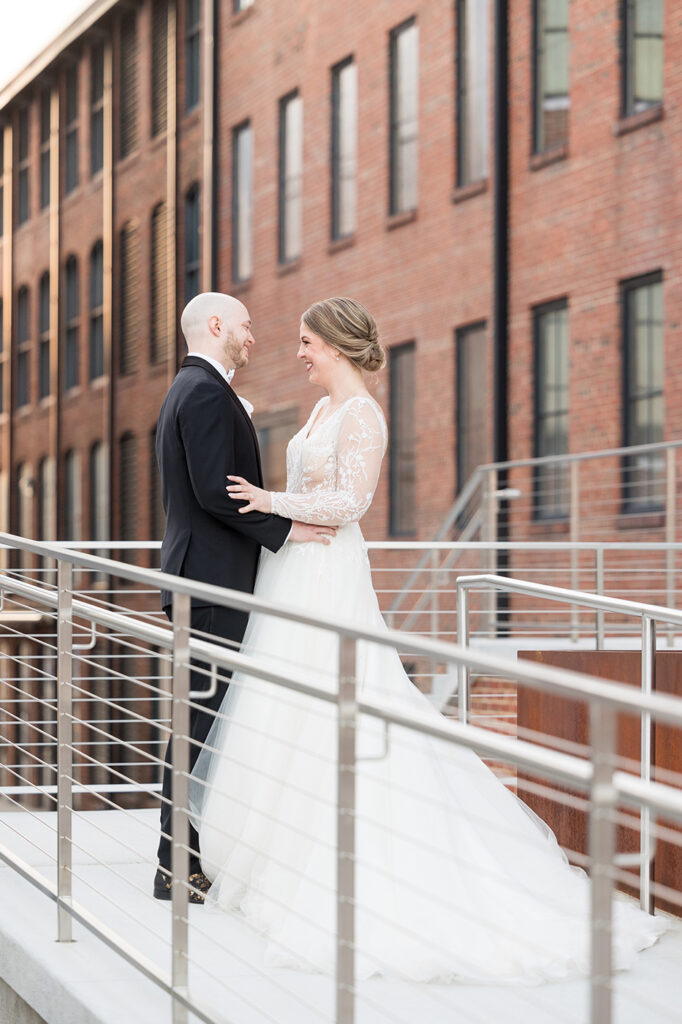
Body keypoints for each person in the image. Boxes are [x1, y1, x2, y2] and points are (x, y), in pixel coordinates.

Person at [189, 297, 666, 980]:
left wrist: (273, 502)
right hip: (290, 574)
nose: (297, 354)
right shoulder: (322, 411)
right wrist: (280, 512)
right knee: (285, 709)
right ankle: (278, 860)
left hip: (329, 576)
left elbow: (351, 505)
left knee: (339, 708)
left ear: (337, 345)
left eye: (305, 343)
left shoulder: (363, 417)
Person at [153, 292, 336, 903]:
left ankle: (181, 859)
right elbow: (214, 491)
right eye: (246, 326)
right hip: (209, 582)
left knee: (201, 719)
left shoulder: (193, 387)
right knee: (199, 721)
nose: (252, 336)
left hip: (203, 576)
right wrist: (288, 530)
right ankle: (174, 866)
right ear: (215, 326)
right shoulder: (204, 391)